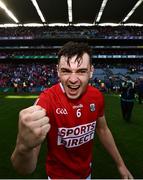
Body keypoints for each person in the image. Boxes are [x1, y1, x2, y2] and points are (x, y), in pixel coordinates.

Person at [11, 41, 133, 179]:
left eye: (81, 71)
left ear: (91, 71)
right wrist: (23, 147)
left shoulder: (97, 96)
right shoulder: (46, 101)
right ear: (58, 71)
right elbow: (25, 169)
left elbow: (103, 130)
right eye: (66, 71)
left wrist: (120, 164)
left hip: (87, 174)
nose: (73, 79)